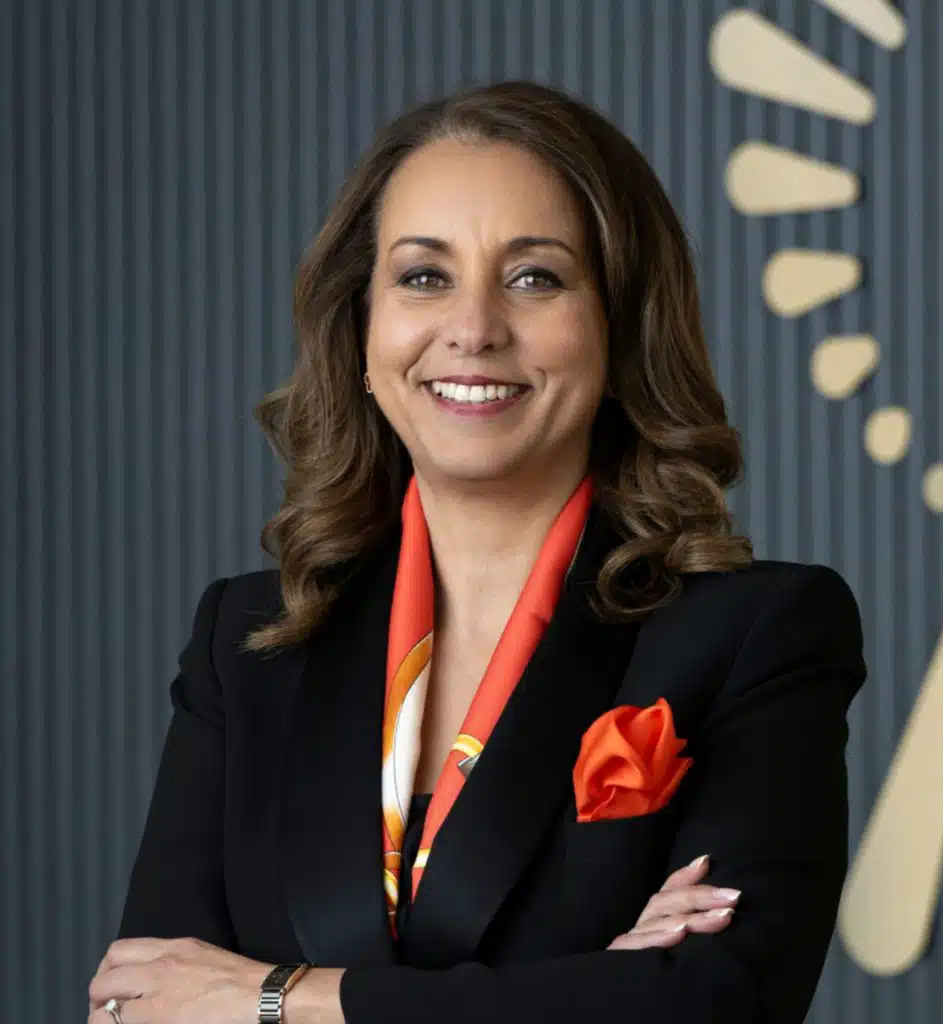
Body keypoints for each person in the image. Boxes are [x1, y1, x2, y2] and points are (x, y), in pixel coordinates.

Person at [87, 80, 865, 1024]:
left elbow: (714, 1002)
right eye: (424, 277)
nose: (473, 328)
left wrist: (279, 998)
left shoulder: (756, 631)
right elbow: (138, 1005)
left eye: (535, 278)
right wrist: (586, 986)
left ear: (619, 328)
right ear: (360, 331)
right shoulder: (246, 644)